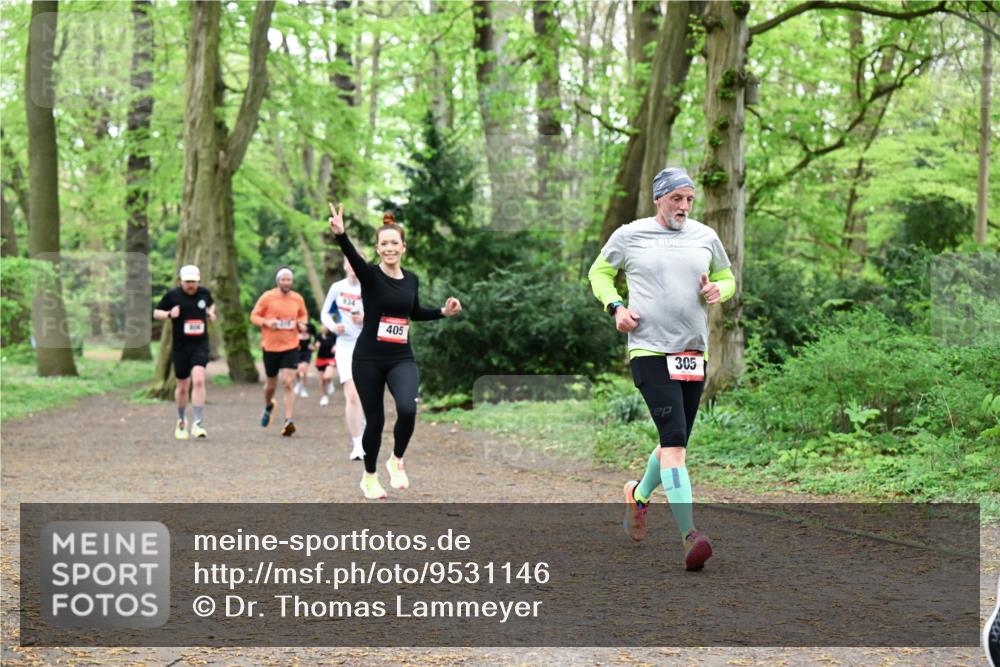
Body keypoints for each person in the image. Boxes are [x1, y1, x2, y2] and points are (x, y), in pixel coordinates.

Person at [588, 167, 736, 571]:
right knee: (674, 444)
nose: (684, 206)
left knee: (674, 445)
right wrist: (615, 307)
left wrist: (718, 289)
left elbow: (727, 277)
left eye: (689, 199)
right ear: (659, 199)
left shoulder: (705, 236)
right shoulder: (630, 234)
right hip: (649, 351)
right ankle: (690, 535)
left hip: (693, 353)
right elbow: (598, 272)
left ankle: (637, 495)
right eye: (676, 199)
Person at [328, 204, 463, 498]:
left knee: (407, 407)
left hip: (401, 357)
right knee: (375, 421)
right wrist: (341, 235)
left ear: (403, 247)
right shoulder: (371, 276)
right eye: (384, 243)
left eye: (394, 243)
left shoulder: (412, 279)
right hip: (367, 359)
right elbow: (352, 256)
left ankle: (396, 460)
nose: (389, 248)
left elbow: (414, 312)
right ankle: (369, 476)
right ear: (378, 249)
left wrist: (443, 312)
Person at [153, 264, 216, 440]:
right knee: (182, 386)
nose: (191, 285)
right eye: (188, 282)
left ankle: (198, 422)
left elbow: (211, 306)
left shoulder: (204, 293)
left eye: (194, 282)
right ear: (180, 280)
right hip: (181, 346)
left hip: (200, 345)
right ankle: (181, 420)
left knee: (198, 381)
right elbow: (156, 312)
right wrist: (169, 314)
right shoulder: (173, 295)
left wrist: (211, 313)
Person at [250, 267, 309, 437]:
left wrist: (302, 323)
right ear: (278, 281)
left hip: (291, 345)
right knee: (271, 385)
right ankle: (268, 405)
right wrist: (267, 322)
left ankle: (288, 420)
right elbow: (254, 316)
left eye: (288, 280)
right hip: (270, 347)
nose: (286, 283)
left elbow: (303, 315)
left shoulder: (297, 298)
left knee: (288, 382)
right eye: (283, 279)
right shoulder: (267, 297)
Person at [321, 256, 367, 461]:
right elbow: (325, 313)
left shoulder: (370, 286)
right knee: (352, 395)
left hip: (368, 345)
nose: (353, 266)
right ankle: (358, 444)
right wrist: (333, 326)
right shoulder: (337, 287)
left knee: (366, 394)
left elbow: (384, 312)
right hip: (346, 345)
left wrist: (366, 318)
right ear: (344, 265)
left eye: (357, 262)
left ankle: (362, 420)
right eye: (349, 262)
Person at [293, 320, 318, 398]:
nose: (301, 327)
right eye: (300, 326)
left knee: (304, 371)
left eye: (303, 325)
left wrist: (313, 347)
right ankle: (298, 383)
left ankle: (304, 389)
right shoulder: (296, 333)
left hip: (307, 353)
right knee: (297, 371)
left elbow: (316, 343)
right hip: (297, 354)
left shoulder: (310, 334)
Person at [314, 325, 337, 407]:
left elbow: (338, 343)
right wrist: (316, 346)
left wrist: (335, 347)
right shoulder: (318, 335)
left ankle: (330, 382)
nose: (324, 327)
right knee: (321, 380)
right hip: (320, 359)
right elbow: (314, 347)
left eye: (326, 326)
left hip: (330, 359)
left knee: (326, 377)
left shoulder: (333, 335)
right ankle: (324, 397)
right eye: (322, 325)